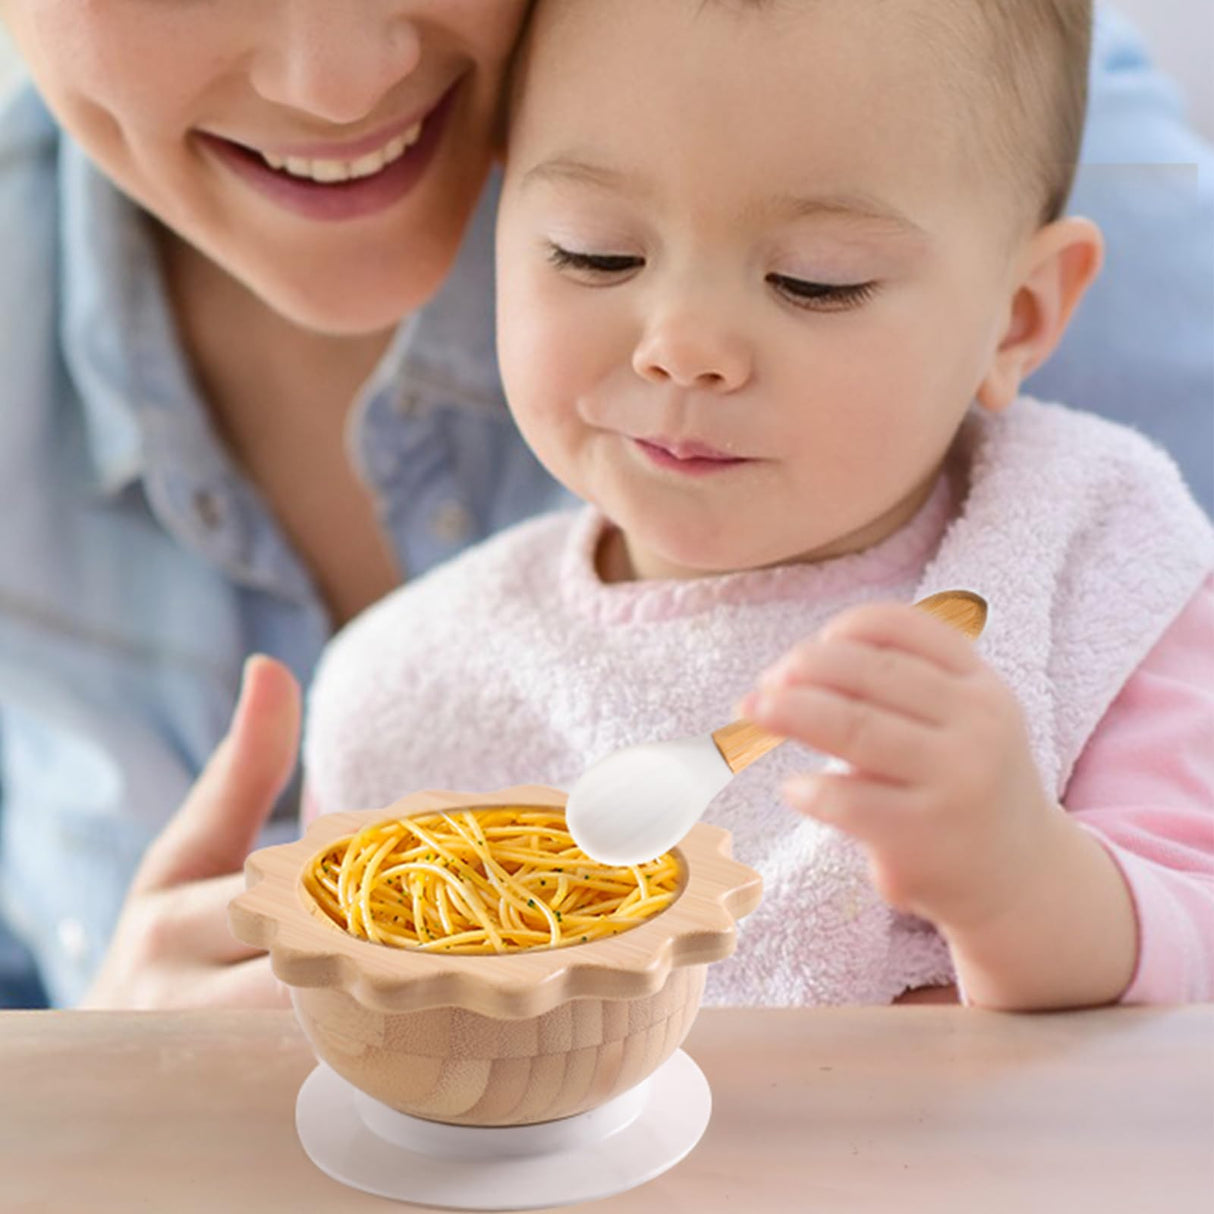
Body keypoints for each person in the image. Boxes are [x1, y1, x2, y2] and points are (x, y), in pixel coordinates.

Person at [0, 3, 1209, 1011]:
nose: (683, 349)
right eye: (591, 254)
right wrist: (113, 1070)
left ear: (1019, 317)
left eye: (813, 282)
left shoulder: (1083, 551)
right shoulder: (415, 678)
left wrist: (1023, 887)